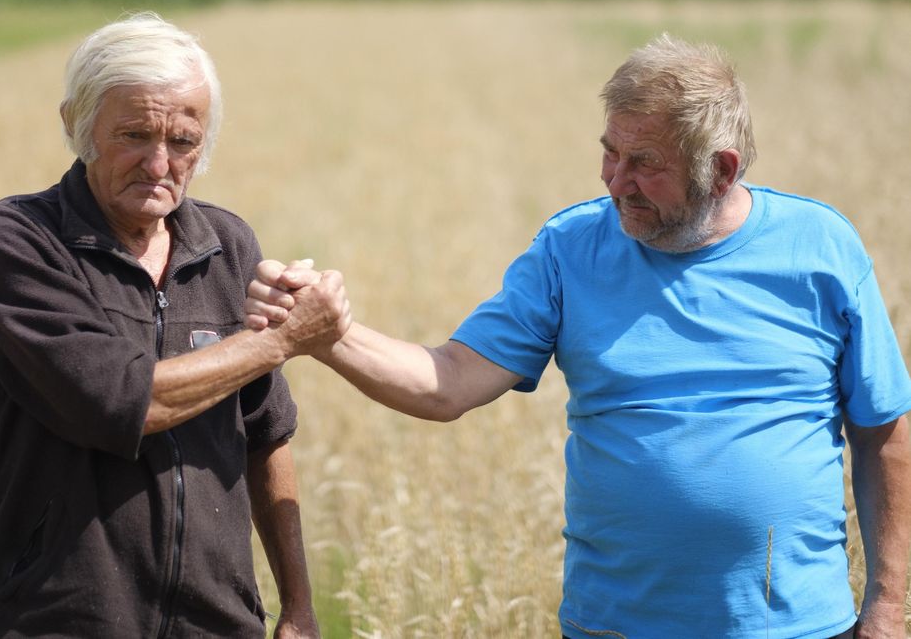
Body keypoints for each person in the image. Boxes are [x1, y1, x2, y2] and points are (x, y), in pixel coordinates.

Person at [249, 35, 911, 639]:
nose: (614, 181)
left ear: (723, 170)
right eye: (609, 151)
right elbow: (448, 383)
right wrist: (329, 336)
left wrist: (885, 606)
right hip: (616, 628)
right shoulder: (570, 250)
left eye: (643, 163)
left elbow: (884, 431)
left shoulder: (820, 248)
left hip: (798, 628)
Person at [0, 13, 350, 638]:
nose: (158, 162)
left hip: (218, 623)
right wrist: (278, 340)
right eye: (135, 135)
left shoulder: (227, 245)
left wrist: (299, 608)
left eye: (184, 141)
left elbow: (265, 434)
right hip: (55, 620)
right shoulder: (21, 243)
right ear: (76, 125)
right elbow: (121, 402)